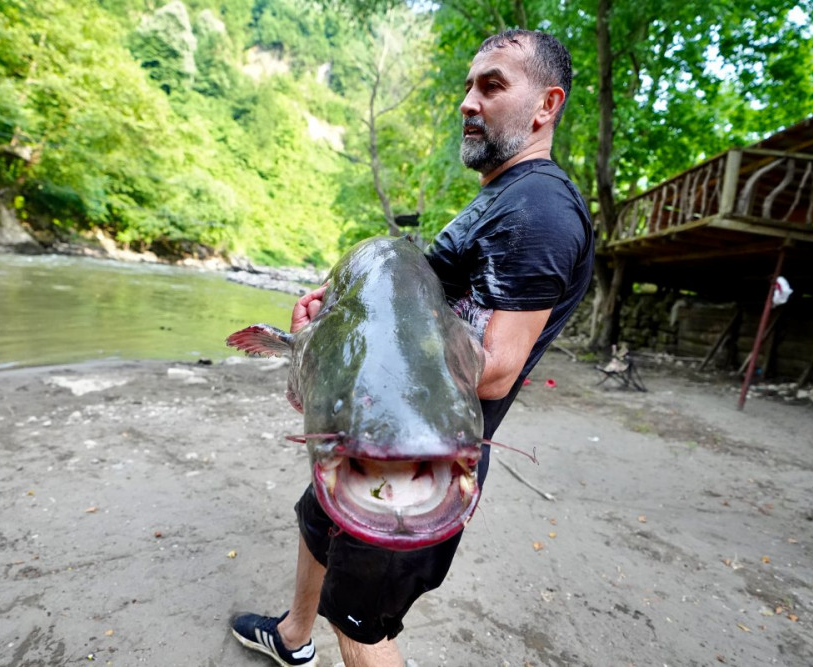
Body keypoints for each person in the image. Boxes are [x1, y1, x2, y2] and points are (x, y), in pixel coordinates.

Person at [231, 29, 594, 667]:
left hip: (415, 461)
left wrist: (331, 360)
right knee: (317, 523)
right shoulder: (501, 199)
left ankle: (322, 632)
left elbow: (496, 370)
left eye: (492, 85)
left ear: (546, 106)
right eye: (467, 86)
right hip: (368, 427)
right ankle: (292, 637)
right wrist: (325, 334)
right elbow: (406, 317)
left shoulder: (539, 210)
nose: (468, 102)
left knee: (362, 627)